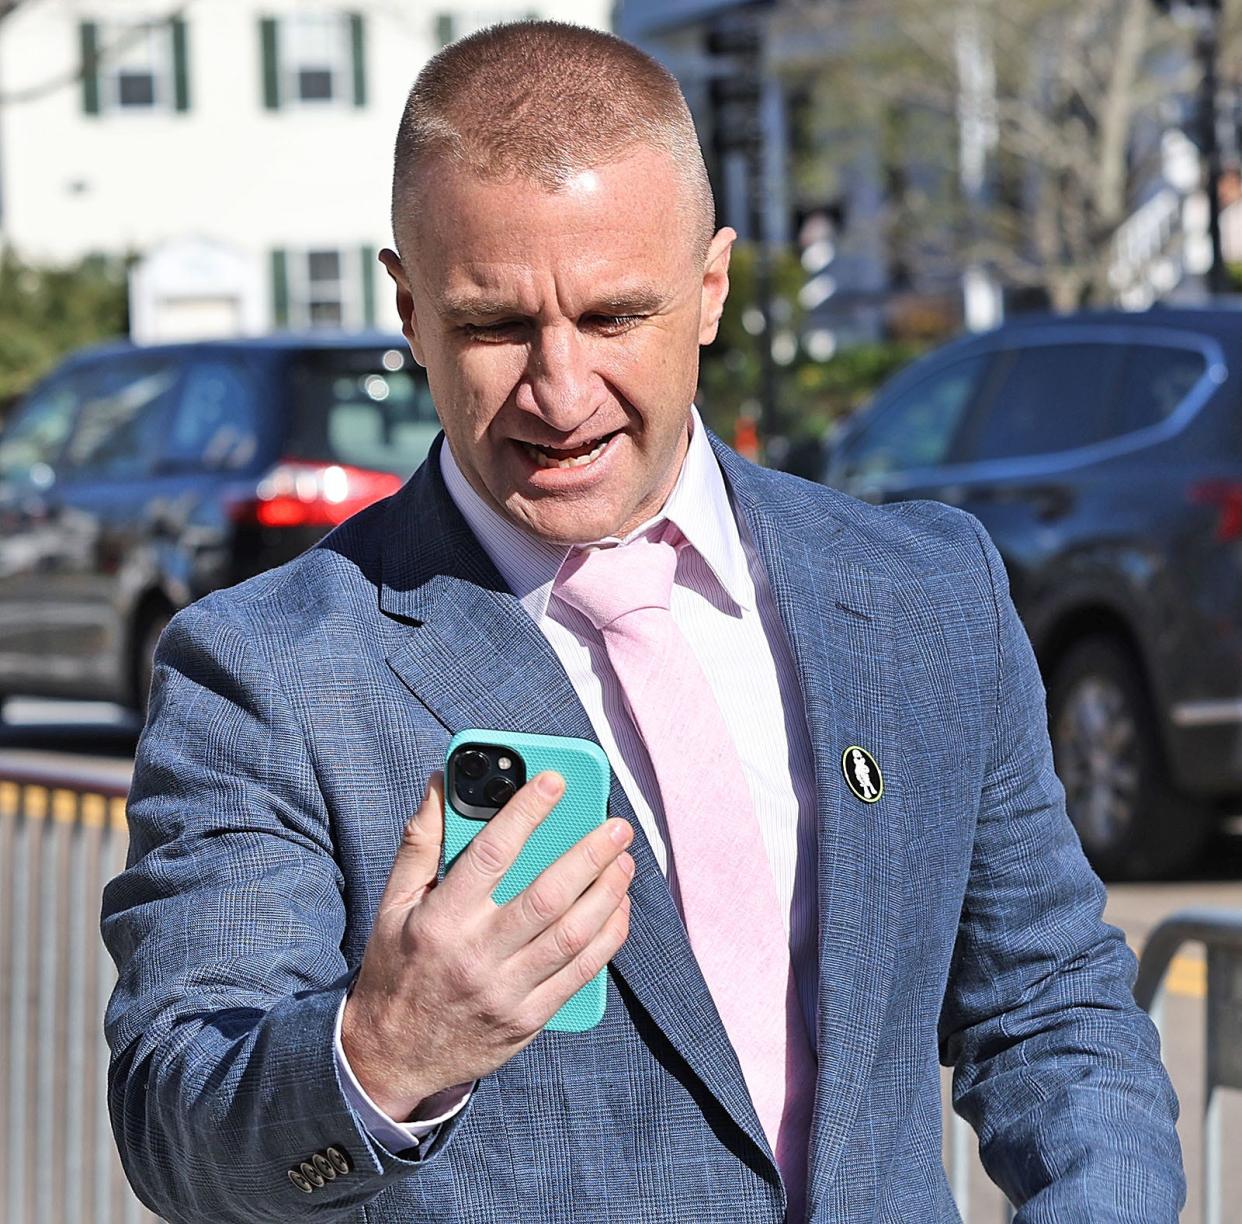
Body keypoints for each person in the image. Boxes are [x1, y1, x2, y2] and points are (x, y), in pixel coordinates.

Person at [101, 20, 1185, 1223]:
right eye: (495, 327)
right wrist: (378, 1061)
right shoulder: (268, 673)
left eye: (615, 317)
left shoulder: (926, 595)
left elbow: (1050, 1008)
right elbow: (177, 1124)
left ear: (710, 289)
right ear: (408, 311)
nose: (561, 396)